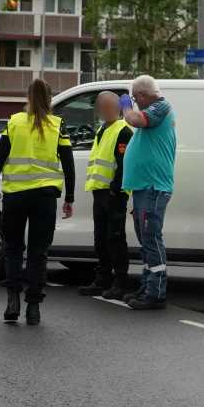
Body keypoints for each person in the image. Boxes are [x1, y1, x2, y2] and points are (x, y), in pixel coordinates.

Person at [0, 78, 75, 324]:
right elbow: (68, 163)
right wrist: (69, 197)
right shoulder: (58, 125)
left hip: (15, 196)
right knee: (38, 253)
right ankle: (34, 307)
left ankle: (12, 300)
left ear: (28, 97)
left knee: (14, 249)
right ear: (49, 98)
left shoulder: (14, 122)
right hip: (45, 198)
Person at [119, 74, 176, 310]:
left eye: (135, 98)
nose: (134, 102)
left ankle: (156, 292)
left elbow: (134, 119)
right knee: (146, 240)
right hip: (145, 187)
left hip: (153, 187)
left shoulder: (160, 107)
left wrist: (124, 106)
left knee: (151, 238)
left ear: (141, 95)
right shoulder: (155, 109)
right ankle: (148, 286)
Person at [78, 92, 134, 299]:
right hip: (100, 192)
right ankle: (102, 280)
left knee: (115, 238)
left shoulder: (122, 131)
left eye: (106, 106)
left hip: (114, 194)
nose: (102, 109)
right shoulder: (102, 129)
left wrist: (114, 189)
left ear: (117, 108)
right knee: (101, 239)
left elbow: (124, 165)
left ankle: (120, 282)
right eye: (100, 106)